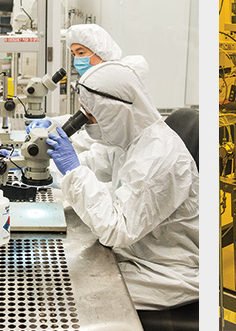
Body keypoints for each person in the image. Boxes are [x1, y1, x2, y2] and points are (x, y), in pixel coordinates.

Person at [47, 62, 198, 330]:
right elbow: (91, 165)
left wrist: (72, 171)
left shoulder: (159, 157)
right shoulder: (129, 139)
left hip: (165, 268)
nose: (87, 124)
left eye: (91, 116)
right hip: (136, 251)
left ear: (116, 112)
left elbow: (116, 229)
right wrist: (29, 163)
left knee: (66, 295)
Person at [67, 22, 149, 80]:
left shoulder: (112, 82)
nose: (77, 59)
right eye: (74, 54)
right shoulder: (96, 80)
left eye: (81, 53)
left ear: (101, 52)